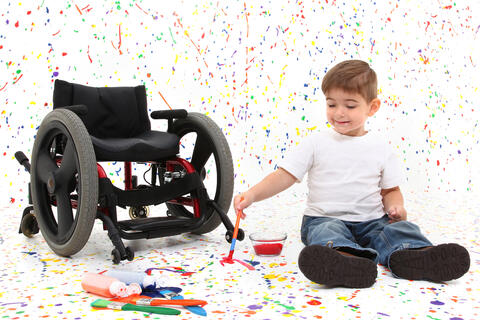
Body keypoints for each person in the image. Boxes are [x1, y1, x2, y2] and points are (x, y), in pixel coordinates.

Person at [233, 60, 470, 288]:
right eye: (331, 104)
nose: (339, 113)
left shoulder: (381, 148)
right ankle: (344, 260)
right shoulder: (316, 142)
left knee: (399, 229)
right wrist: (252, 195)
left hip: (372, 222)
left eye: (350, 105)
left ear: (372, 107)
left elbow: (390, 191)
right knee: (327, 232)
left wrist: (396, 208)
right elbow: (284, 175)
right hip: (324, 218)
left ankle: (416, 255)